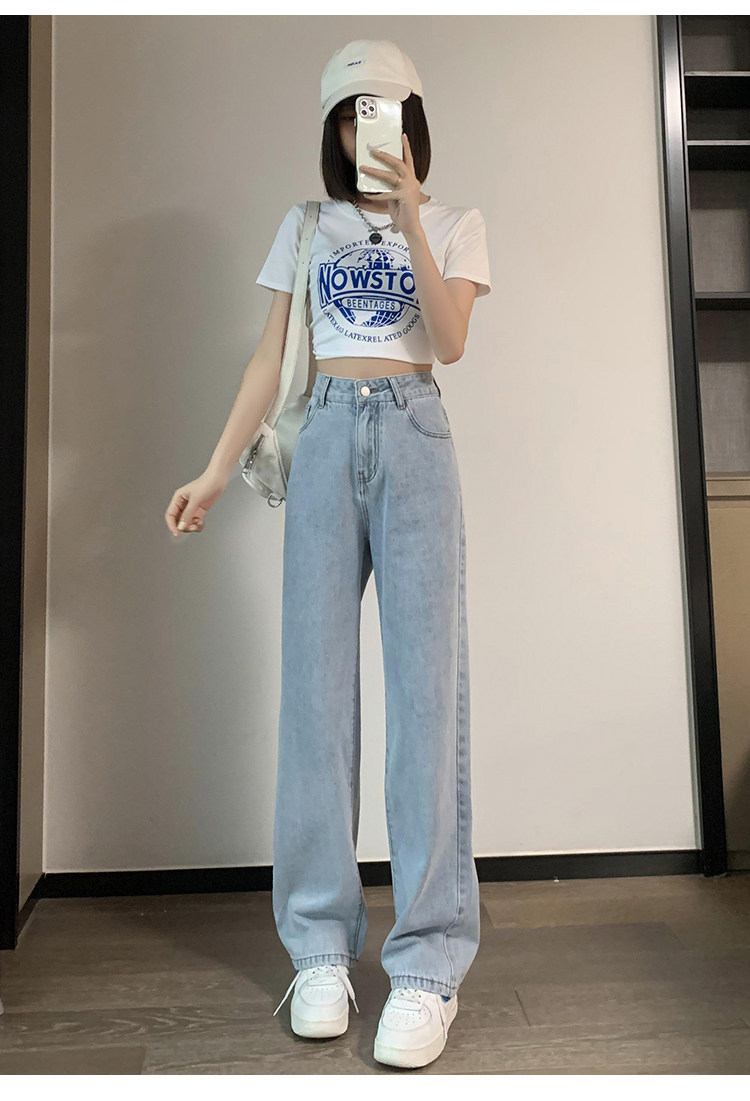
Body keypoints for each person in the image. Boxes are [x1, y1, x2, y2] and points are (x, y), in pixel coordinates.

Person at [164, 39, 491, 1070]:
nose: (364, 131)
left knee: (425, 703)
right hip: (325, 441)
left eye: (380, 111)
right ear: (332, 128)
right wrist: (215, 469)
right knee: (314, 700)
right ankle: (318, 949)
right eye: (350, 114)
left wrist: (413, 219)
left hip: (415, 436)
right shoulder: (305, 225)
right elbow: (269, 360)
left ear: (412, 122)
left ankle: (427, 966)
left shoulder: (456, 222)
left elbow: (449, 341)